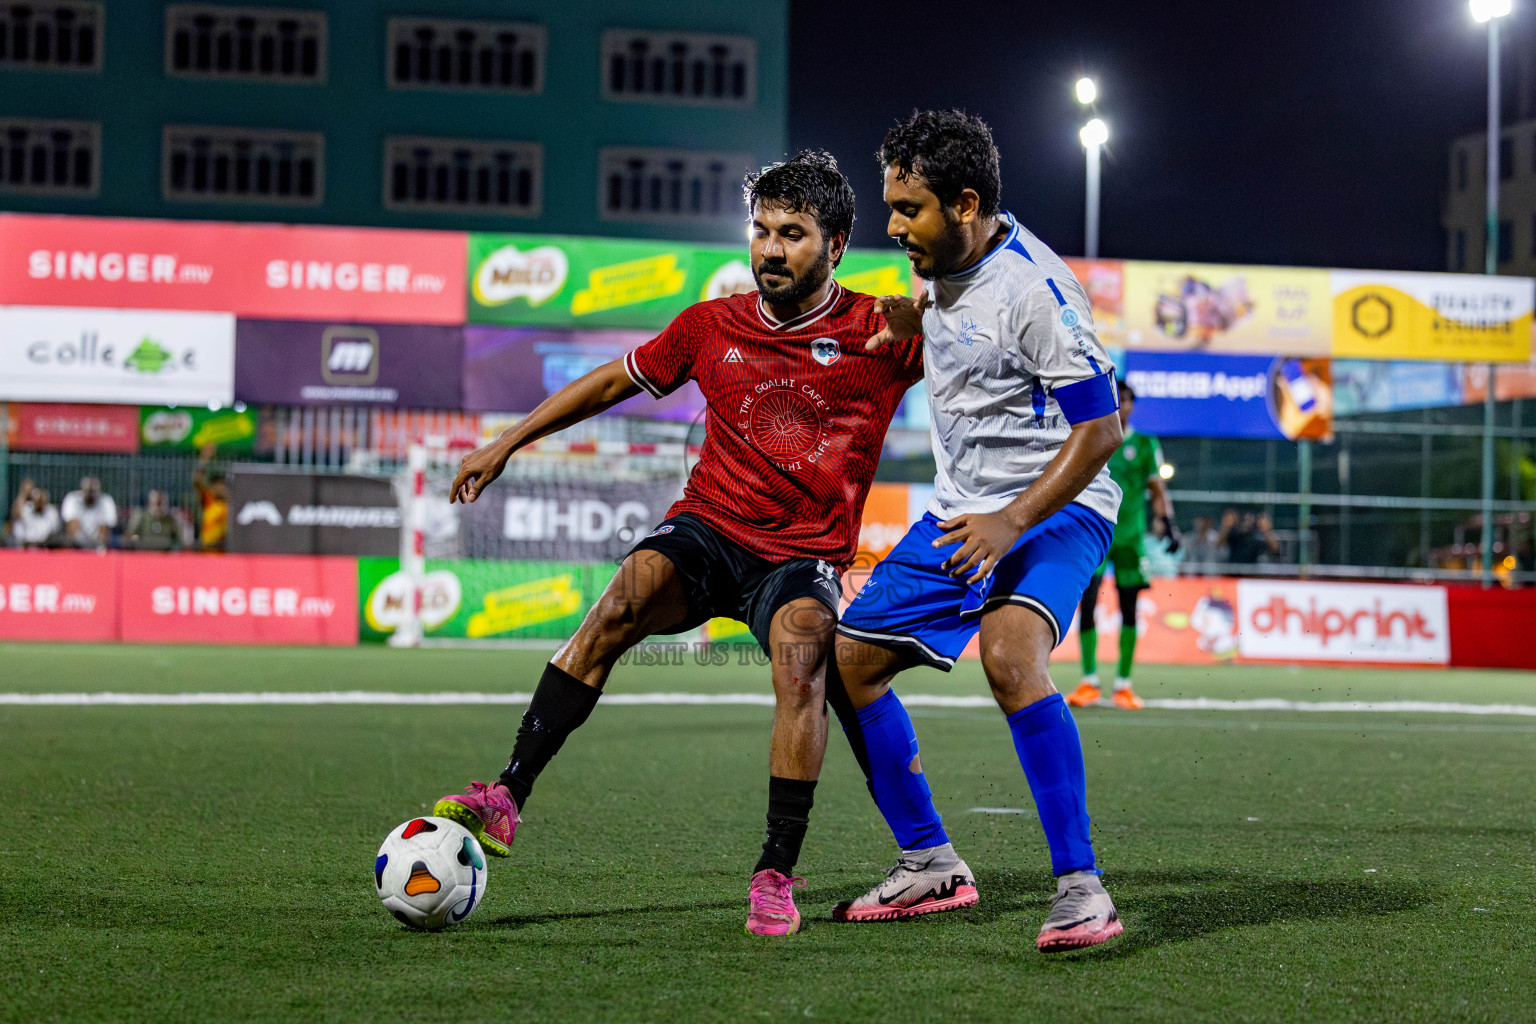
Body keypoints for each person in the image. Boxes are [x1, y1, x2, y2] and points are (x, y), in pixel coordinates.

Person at [431, 151, 927, 937]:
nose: (768, 249)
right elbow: (606, 383)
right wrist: (509, 441)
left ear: (835, 246)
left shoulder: (883, 330)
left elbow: (978, 362)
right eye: (760, 230)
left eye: (791, 234)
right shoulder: (711, 325)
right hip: (710, 529)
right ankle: (507, 795)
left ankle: (775, 872)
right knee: (619, 601)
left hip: (802, 558)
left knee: (804, 663)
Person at [827, 110, 1125, 952]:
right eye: (890, 205)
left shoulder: (1036, 290)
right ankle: (929, 863)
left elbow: (1101, 432)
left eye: (907, 209)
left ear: (965, 204)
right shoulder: (937, 264)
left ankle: (1083, 889)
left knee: (1008, 656)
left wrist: (1011, 521)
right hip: (966, 512)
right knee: (846, 662)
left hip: (1056, 506)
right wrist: (912, 325)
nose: (891, 225)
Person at [1068, 380, 1173, 711]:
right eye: (1116, 399)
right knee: (1087, 605)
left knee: (1129, 609)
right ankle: (1089, 682)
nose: (1121, 405)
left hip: (1130, 538)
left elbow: (1158, 489)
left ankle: (1124, 685)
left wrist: (1168, 523)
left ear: (1132, 405)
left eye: (1126, 400)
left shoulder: (1145, 444)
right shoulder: (1092, 435)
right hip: (1095, 533)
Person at [60, 477, 116, 550]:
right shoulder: (72, 499)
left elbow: (105, 529)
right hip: (77, 543)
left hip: (97, 542)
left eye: (92, 491)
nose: (90, 494)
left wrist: (98, 544)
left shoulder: (106, 501)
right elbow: (71, 527)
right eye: (88, 491)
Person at [193, 444, 229, 552]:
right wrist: (203, 460)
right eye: (216, 483)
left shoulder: (230, 504)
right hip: (208, 551)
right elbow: (197, 481)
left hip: (225, 552)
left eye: (222, 483)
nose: (220, 487)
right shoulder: (209, 500)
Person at [8, 481, 60, 549]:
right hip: (26, 547)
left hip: (45, 547)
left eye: (41, 499)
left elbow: (54, 531)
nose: (39, 502)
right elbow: (18, 514)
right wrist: (24, 494)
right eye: (37, 499)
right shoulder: (28, 509)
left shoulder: (51, 512)